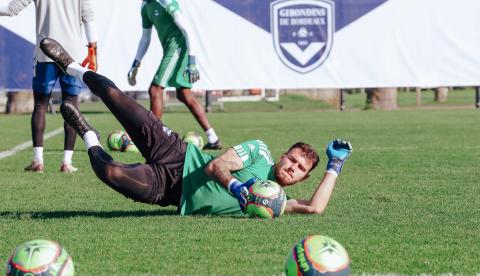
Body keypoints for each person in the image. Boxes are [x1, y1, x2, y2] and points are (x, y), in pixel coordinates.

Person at [40, 38, 353, 215]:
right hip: (176, 153)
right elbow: (216, 165)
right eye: (292, 159)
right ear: (283, 154)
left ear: (302, 178)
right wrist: (238, 187)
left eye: (299, 169)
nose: (292, 168)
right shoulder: (259, 152)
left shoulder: (275, 203)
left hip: (171, 192)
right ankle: (71, 66)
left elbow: (315, 208)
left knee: (110, 173)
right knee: (114, 96)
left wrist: (335, 165)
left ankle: (87, 132)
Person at [0, 0, 98, 173]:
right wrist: (93, 50)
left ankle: (38, 161)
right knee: (72, 106)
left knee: (40, 105)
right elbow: (88, 17)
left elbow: (11, 10)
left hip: (45, 53)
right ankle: (67, 163)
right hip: (72, 55)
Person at [127, 0, 222, 150]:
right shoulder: (145, 6)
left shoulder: (166, 2)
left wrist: (192, 62)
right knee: (184, 94)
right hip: (171, 50)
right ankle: (213, 137)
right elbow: (145, 37)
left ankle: (155, 140)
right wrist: (136, 63)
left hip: (178, 49)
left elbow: (188, 31)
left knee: (155, 90)